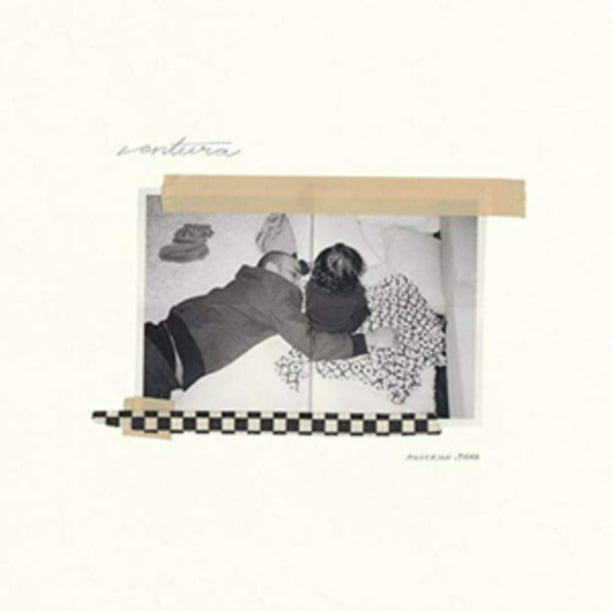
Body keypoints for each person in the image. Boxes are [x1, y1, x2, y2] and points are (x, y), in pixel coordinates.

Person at [144, 251, 397, 398]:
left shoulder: (250, 283)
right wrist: (369, 340)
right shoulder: (275, 294)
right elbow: (312, 345)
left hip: (159, 336)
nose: (298, 282)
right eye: (293, 274)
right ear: (271, 268)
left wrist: (308, 267)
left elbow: (291, 268)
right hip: (164, 360)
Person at [305, 243, 370, 333]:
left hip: (315, 325)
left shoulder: (312, 286)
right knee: (363, 311)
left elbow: (309, 303)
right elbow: (361, 305)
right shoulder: (356, 291)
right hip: (343, 329)